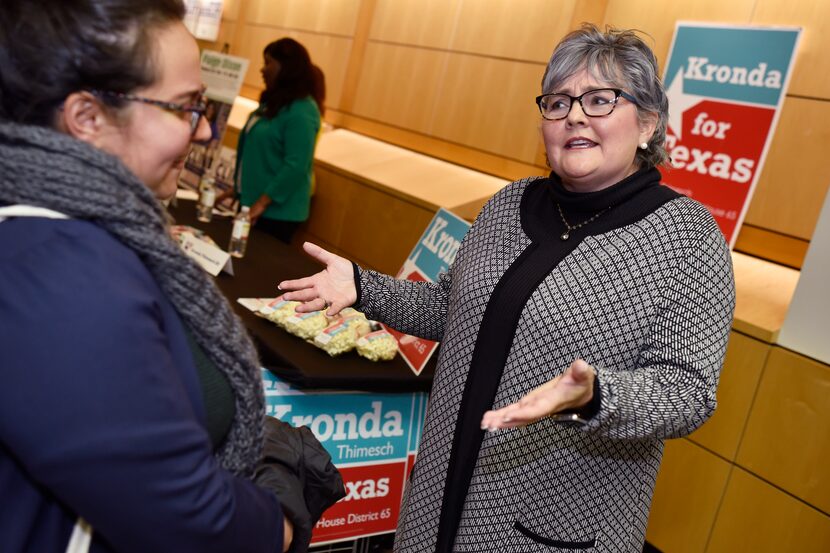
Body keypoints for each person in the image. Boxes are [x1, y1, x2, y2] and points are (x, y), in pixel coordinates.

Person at [278, 24, 736, 553]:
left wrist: (597, 396)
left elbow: (687, 392)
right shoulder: (508, 205)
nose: (575, 115)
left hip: (554, 530)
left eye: (600, 100)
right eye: (558, 102)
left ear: (648, 124)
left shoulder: (687, 237)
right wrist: (363, 286)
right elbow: (448, 309)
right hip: (439, 497)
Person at [0, 1, 341, 552]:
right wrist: (279, 509)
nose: (205, 130)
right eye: (184, 107)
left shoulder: (78, 236)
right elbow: (188, 525)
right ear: (87, 118)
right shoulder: (61, 274)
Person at [232, 38, 321, 244]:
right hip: (251, 202)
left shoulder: (302, 110)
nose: (262, 70)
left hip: (276, 214)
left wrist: (262, 203)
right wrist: (237, 189)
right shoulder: (275, 102)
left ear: (287, 67)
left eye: (268, 63)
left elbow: (296, 165)